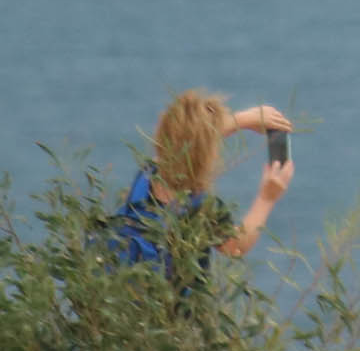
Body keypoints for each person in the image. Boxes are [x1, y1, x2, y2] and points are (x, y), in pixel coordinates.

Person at [111, 90, 295, 280]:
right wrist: (267, 197)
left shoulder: (148, 174)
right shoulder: (200, 208)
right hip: (174, 298)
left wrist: (241, 120)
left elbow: (184, 140)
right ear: (206, 156)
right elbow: (235, 246)